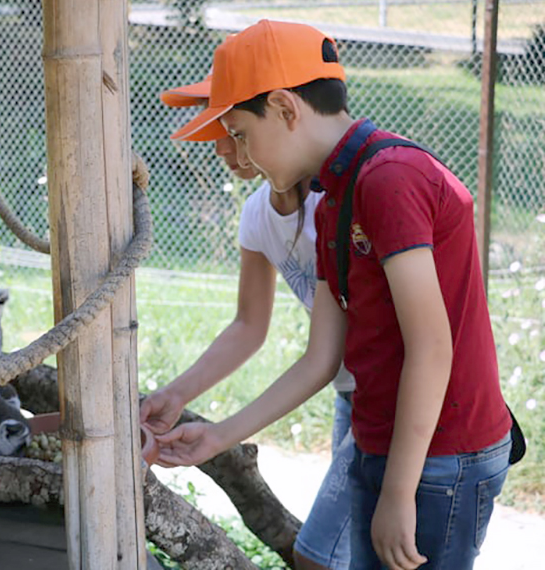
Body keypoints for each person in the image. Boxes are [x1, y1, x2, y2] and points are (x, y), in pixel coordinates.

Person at [154, 20, 513, 570]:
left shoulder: (389, 178)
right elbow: (322, 358)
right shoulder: (334, 196)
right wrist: (217, 437)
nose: (241, 155)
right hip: (382, 439)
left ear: (284, 107)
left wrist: (398, 492)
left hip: (442, 455)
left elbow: (432, 348)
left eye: (242, 134)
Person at [142, 67, 355, 570]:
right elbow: (248, 327)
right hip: (350, 395)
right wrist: (176, 394)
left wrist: (222, 434)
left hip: (392, 399)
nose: (220, 148)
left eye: (230, 131)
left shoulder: (339, 203)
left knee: (325, 555)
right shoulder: (258, 213)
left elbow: (322, 356)